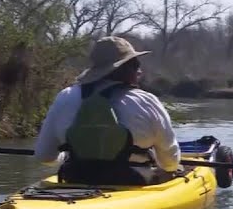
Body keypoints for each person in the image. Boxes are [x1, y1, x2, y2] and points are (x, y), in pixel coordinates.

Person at [34, 36, 182, 185]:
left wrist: (66, 156)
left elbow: (45, 156)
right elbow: (170, 162)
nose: (140, 71)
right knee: (168, 172)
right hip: (133, 182)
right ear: (126, 68)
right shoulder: (147, 101)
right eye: (136, 65)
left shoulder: (65, 97)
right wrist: (167, 167)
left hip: (76, 179)